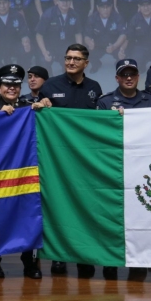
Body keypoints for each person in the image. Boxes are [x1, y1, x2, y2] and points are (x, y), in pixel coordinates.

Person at [36, 44, 102, 277]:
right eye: (68, 58)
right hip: (58, 160)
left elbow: (99, 120)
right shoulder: (50, 86)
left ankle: (85, 256)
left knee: (86, 206)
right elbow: (40, 118)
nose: (71, 62)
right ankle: (59, 256)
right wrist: (41, 106)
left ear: (86, 63)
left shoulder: (94, 88)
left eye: (76, 59)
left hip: (85, 159)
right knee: (59, 206)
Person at [0, 64, 42, 280]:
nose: (12, 88)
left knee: (29, 215)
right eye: (7, 84)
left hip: (24, 173)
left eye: (16, 84)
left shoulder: (28, 107)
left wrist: (44, 107)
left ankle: (30, 262)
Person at [96, 58, 151, 280]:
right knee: (111, 214)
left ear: (138, 77)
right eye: (124, 74)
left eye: (132, 74)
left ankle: (138, 263)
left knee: (141, 214)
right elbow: (98, 133)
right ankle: (110, 262)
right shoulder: (105, 102)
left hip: (143, 167)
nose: (128, 78)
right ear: (117, 78)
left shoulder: (150, 99)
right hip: (114, 165)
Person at [35, 0, 83, 72]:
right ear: (57, 1)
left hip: (65, 45)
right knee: (43, 62)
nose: (65, 3)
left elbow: (78, 33)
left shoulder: (74, 15)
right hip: (50, 46)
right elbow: (39, 35)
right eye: (62, 0)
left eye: (67, 0)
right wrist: (44, 52)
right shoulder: (48, 14)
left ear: (70, 1)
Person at [122, 0, 151, 71]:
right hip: (142, 47)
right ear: (139, 6)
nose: (146, 8)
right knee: (135, 66)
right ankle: (142, 64)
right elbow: (128, 37)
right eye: (143, 5)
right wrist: (122, 50)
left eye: (148, 5)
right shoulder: (135, 19)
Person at [83, 0, 127, 72]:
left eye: (107, 7)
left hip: (114, 45)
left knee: (124, 52)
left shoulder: (118, 17)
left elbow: (123, 35)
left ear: (111, 7)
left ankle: (118, 62)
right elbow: (86, 35)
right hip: (98, 45)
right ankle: (96, 64)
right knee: (86, 50)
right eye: (103, 7)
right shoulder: (92, 18)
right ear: (97, 8)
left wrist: (115, 46)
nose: (105, 9)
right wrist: (89, 42)